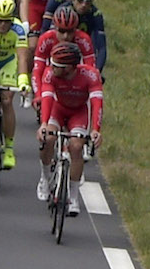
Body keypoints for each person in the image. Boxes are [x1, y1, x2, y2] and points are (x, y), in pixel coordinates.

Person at [35, 40, 102, 213]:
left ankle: (73, 196)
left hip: (78, 113)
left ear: (69, 68)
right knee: (48, 138)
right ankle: (45, 177)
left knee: (76, 147)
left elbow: (96, 103)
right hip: (57, 109)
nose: (51, 67)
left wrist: (96, 130)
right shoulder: (50, 74)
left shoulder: (91, 76)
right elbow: (47, 98)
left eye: (56, 65)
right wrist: (44, 124)